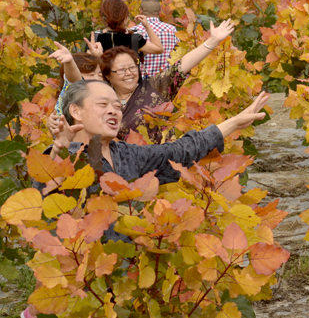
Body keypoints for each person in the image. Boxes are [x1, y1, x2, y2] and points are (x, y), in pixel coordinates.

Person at [24, 79, 269, 318]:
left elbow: (180, 151)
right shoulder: (68, 156)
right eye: (103, 104)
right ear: (76, 111)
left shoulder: (127, 154)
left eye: (117, 106)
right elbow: (46, 189)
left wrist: (235, 122)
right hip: (73, 293)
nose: (113, 110)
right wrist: (59, 149)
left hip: (121, 288)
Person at [96, 18, 235, 143]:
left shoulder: (155, 86)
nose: (129, 73)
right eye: (121, 70)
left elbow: (183, 65)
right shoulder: (103, 101)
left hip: (164, 160)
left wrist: (213, 41)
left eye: (132, 67)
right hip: (125, 163)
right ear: (108, 75)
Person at [93, 0, 163, 57]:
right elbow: (159, 48)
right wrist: (147, 26)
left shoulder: (95, 37)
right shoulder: (133, 38)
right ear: (124, 17)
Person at [130, 0, 180, 77]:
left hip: (141, 81)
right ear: (160, 11)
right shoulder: (172, 30)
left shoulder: (132, 32)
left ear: (140, 11)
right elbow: (178, 55)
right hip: (166, 79)